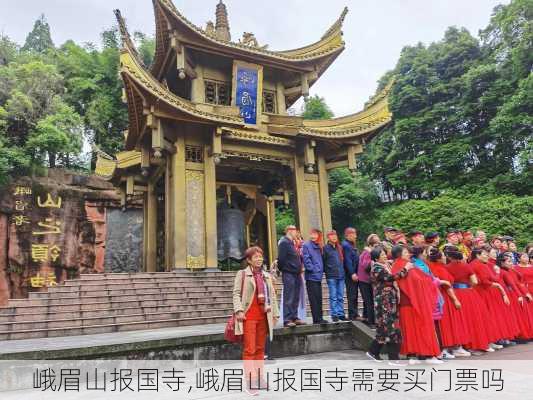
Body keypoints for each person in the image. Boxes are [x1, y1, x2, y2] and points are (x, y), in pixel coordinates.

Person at [233, 246, 280, 395]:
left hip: (263, 317)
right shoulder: (242, 274)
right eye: (255, 257)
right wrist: (239, 310)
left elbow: (272, 296)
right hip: (248, 317)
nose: (259, 259)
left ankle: (260, 378)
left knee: (260, 349)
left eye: (260, 256)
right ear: (248, 260)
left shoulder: (266, 276)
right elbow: (236, 294)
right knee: (250, 350)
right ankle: (250, 382)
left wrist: (275, 314)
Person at [391, 245, 441, 362]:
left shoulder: (402, 265)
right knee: (415, 328)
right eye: (405, 252)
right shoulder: (403, 265)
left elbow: (419, 280)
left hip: (410, 301)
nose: (408, 254)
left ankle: (415, 354)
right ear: (399, 254)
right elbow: (415, 281)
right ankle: (421, 354)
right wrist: (432, 282)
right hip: (410, 301)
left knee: (412, 329)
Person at [366, 246, 411, 366]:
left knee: (383, 329)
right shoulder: (376, 268)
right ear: (376, 258)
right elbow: (391, 277)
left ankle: (372, 351)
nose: (385, 256)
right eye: (382, 255)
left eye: (385, 254)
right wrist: (405, 269)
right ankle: (393, 358)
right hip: (384, 302)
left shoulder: (384, 266)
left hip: (388, 300)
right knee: (392, 329)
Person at [444, 246, 492, 352]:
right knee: (474, 318)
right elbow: (475, 281)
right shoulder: (466, 266)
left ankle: (464, 345)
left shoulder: (446, 267)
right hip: (469, 293)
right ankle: (478, 343)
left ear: (449, 256)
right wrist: (468, 286)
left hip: (455, 293)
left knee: (461, 320)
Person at [427, 247, 469, 358]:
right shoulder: (440, 269)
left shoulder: (434, 267)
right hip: (446, 297)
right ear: (438, 259)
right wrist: (455, 299)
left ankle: (449, 348)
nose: (446, 257)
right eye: (443, 256)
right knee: (450, 323)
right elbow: (447, 286)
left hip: (441, 296)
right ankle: (452, 348)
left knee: (445, 324)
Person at [468, 247, 510, 348]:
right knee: (486, 317)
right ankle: (488, 342)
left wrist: (496, 274)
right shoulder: (479, 265)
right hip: (482, 293)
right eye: (485, 254)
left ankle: (489, 341)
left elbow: (490, 279)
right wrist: (498, 276)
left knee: (485, 318)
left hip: (480, 292)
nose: (487, 256)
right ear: (478, 255)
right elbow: (486, 281)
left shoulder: (477, 264)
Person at [277, 225, 305, 327]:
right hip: (288, 273)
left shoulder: (292, 243)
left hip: (296, 273)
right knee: (289, 296)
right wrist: (283, 269)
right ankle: (287, 319)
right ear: (289, 231)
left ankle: (294, 316)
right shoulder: (284, 242)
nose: (296, 233)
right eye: (295, 231)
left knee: (296, 296)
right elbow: (281, 259)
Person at [302, 229, 328, 324]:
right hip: (311, 276)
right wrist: (312, 269)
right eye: (312, 233)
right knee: (314, 299)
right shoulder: (306, 245)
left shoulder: (319, 245)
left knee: (319, 298)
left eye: (316, 234)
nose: (313, 235)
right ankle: (317, 319)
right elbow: (306, 258)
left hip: (318, 276)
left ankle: (320, 318)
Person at [358, 234, 380, 327]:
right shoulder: (367, 253)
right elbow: (366, 266)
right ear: (371, 244)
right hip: (364, 280)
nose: (378, 245)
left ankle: (366, 317)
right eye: (376, 243)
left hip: (369, 280)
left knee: (368, 300)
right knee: (369, 301)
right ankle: (371, 322)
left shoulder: (370, 252)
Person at [324, 230, 346, 322]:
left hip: (341, 274)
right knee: (333, 296)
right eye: (332, 236)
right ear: (328, 237)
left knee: (340, 296)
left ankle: (341, 313)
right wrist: (327, 270)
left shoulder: (339, 247)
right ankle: (334, 314)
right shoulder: (325, 248)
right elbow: (323, 261)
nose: (334, 237)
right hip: (331, 275)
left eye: (335, 235)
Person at [342, 227, 360, 321]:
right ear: (348, 235)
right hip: (350, 275)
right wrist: (352, 273)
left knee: (355, 294)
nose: (355, 236)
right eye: (354, 234)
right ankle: (352, 314)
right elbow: (347, 260)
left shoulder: (351, 244)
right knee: (352, 294)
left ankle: (355, 313)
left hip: (355, 273)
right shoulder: (346, 245)